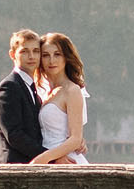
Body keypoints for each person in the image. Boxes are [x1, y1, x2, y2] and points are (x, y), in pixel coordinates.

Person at [31, 32, 91, 165]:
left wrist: (42, 159)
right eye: (46, 55)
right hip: (51, 161)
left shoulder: (72, 90)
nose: (52, 60)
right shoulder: (43, 92)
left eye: (57, 54)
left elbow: (75, 138)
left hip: (68, 161)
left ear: (66, 57)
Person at [0, 29, 46, 163]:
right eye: (24, 51)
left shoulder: (33, 87)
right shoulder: (9, 87)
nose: (31, 56)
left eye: (36, 51)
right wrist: (49, 157)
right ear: (12, 54)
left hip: (32, 167)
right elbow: (14, 135)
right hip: (13, 168)